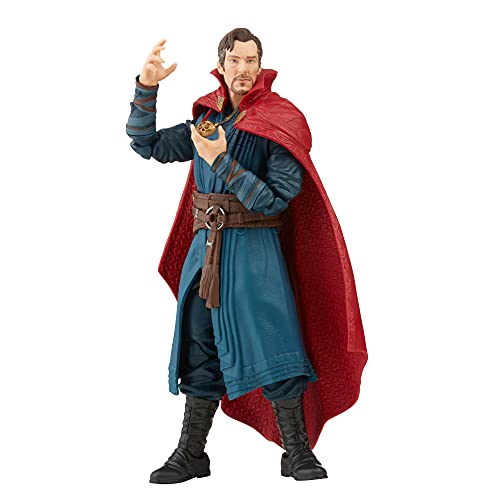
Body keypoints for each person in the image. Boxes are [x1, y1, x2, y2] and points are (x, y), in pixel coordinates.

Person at [126, 28, 368, 483]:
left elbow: (274, 200)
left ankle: (297, 451)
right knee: (200, 348)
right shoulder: (207, 119)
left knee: (275, 343)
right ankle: (191, 453)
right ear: (221, 65)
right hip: (205, 257)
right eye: (235, 60)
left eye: (251, 60)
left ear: (261, 65)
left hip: (256, 257)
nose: (243, 69)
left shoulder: (280, 119)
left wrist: (222, 161)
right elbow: (148, 145)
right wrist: (146, 88)